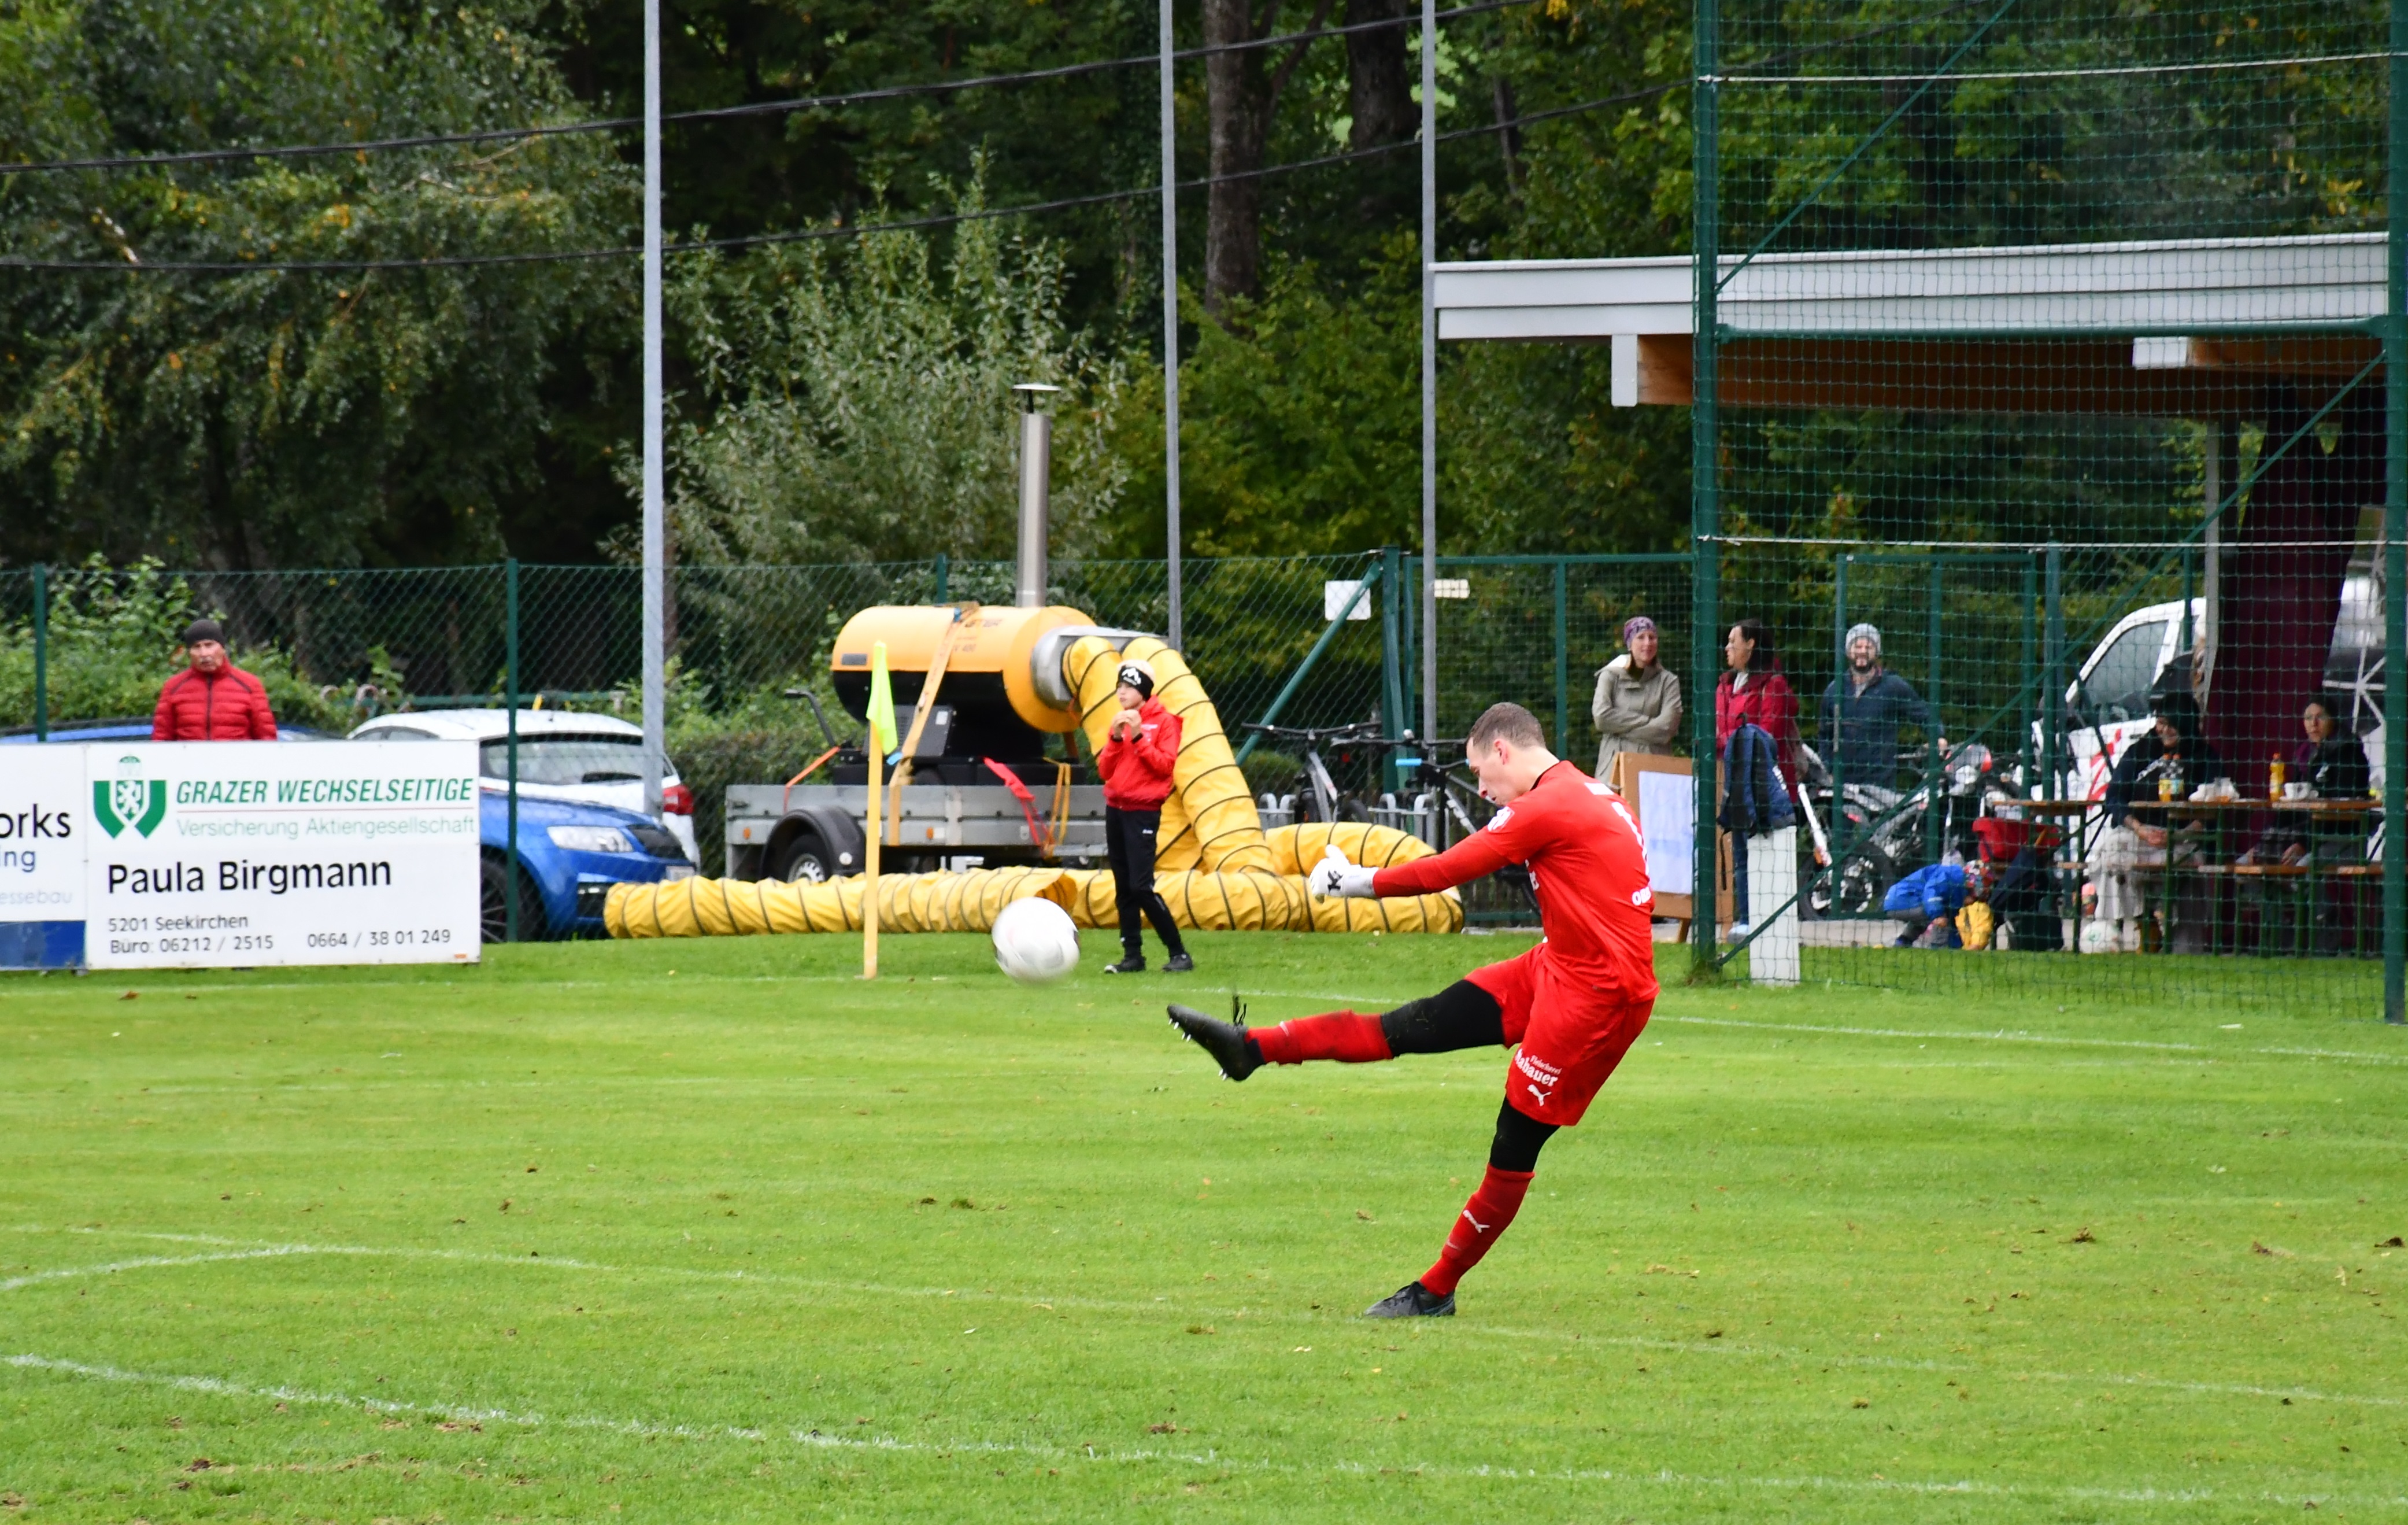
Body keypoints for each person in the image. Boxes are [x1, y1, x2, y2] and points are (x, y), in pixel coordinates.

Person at [1163, 701, 1655, 1319]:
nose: (1481, 788)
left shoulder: (1549, 804)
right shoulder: (1585, 792)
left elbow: (1446, 870)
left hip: (1598, 999)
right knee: (1412, 1025)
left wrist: (1353, 882)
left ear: (1502, 750)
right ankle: (1251, 1049)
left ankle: (1436, 1290)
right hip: (1559, 965)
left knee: (1513, 1144)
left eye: (1478, 772)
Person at [2091, 688, 2223, 953]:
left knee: (2185, 869)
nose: (2165, 730)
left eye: (2173, 725)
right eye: (2161, 723)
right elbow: (2115, 797)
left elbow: (2214, 809)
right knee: (2111, 850)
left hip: (2184, 837)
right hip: (2140, 833)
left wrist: (2180, 835)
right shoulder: (2140, 751)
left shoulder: (2205, 757)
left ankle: (2184, 941)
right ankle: (2142, 924)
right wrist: (2140, 829)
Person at [1096, 658, 1193, 974]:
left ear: (1143, 691)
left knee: (1140, 886)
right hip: (1116, 809)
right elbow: (1105, 771)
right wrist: (1115, 737)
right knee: (1123, 887)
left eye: (1128, 686)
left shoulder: (1165, 723)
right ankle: (1132, 956)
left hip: (1143, 812)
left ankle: (1178, 952)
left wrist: (1138, 737)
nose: (1121, 692)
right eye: (1119, 686)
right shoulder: (1119, 721)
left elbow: (1164, 767)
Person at [1712, 619, 1799, 935]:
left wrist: (1729, 740)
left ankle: (1774, 923)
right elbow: (1722, 733)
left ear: (1750, 645)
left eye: (1733, 641)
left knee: (1768, 853)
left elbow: (1765, 738)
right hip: (1735, 782)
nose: (1727, 648)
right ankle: (1747, 919)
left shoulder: (1774, 685)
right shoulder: (1725, 685)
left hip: (1766, 787)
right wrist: (1735, 738)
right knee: (1740, 855)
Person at [1818, 623, 1941, 791]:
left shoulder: (1893, 686)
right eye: (1857, 646)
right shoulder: (1834, 690)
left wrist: (1938, 736)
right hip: (1843, 787)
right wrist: (1828, 769)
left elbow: (1924, 714)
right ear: (1848, 651)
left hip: (1881, 786)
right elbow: (1824, 735)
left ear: (1877, 652)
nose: (1862, 651)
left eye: (1868, 647)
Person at [151, 618, 278, 741]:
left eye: (209, 645)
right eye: (196, 647)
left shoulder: (250, 685)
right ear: (190, 653)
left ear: (222, 648)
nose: (204, 653)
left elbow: (267, 738)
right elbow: (161, 739)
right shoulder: (173, 687)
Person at [1590, 615, 1682, 780]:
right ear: (1629, 644)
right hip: (1612, 770)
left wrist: (1618, 730)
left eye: (1652, 637)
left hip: (1654, 772)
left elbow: (1666, 729)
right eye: (1641, 637)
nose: (1648, 643)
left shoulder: (1669, 681)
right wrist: (1649, 722)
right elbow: (1601, 718)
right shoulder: (1610, 676)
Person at [1882, 859, 1988, 948]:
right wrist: (1937, 915)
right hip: (1902, 899)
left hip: (1900, 902)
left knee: (1929, 918)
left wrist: (1957, 946)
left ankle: (1903, 941)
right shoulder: (1950, 877)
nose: (1972, 901)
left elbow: (1951, 924)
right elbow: (1931, 891)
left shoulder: (1957, 889)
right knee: (1940, 916)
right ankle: (1939, 947)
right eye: (1974, 895)